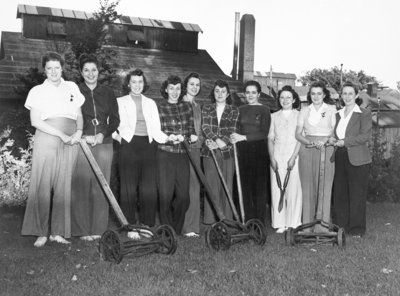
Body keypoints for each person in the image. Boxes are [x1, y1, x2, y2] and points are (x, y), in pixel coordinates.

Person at [21, 52, 85, 247]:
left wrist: (79, 131)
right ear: (45, 70)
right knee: (43, 184)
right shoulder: (37, 91)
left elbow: (79, 114)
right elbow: (35, 121)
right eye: (49, 68)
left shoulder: (72, 87)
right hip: (48, 137)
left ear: (62, 68)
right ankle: (40, 231)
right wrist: (60, 135)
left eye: (57, 67)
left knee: (64, 186)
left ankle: (58, 232)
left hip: (71, 140)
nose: (54, 71)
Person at [113, 69, 168, 239]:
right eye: (134, 82)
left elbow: (156, 129)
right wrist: (118, 138)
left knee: (148, 187)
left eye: (140, 82)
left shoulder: (150, 103)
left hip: (148, 145)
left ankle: (146, 224)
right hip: (128, 145)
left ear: (144, 84)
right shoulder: (119, 101)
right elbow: (111, 124)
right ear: (128, 84)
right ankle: (129, 226)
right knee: (128, 187)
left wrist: (169, 138)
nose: (137, 85)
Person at [71, 54, 120, 241]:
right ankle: (82, 230)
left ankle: (98, 229)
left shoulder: (107, 92)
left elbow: (115, 119)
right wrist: (81, 134)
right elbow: (71, 116)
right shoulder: (75, 91)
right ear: (81, 72)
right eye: (86, 70)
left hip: (104, 143)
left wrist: (102, 134)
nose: (90, 74)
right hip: (83, 143)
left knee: (102, 185)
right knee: (82, 185)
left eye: (93, 70)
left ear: (98, 71)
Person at [157, 75, 197, 235]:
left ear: (181, 90)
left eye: (178, 88)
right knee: (165, 195)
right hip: (165, 155)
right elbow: (156, 131)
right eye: (171, 88)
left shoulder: (186, 107)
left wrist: (190, 136)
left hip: (182, 155)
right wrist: (169, 138)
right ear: (166, 89)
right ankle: (168, 231)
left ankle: (176, 228)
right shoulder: (159, 107)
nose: (175, 92)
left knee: (183, 197)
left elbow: (191, 129)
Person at [331, 81, 372, 237]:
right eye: (344, 93)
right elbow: (336, 134)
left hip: (358, 158)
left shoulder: (364, 113)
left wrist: (344, 142)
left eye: (350, 93)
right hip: (340, 155)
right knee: (340, 193)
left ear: (356, 95)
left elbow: (364, 136)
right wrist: (331, 139)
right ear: (341, 96)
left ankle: (357, 229)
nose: (347, 96)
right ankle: (341, 228)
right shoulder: (338, 114)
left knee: (357, 194)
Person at [295, 81, 336, 232]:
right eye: (313, 93)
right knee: (308, 187)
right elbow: (298, 134)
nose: (316, 96)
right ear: (309, 95)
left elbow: (334, 130)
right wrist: (309, 143)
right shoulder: (304, 110)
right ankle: (307, 226)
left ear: (324, 94)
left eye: (319, 93)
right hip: (307, 148)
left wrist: (324, 141)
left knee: (325, 186)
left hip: (327, 148)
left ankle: (323, 226)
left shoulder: (331, 109)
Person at [230, 80, 270, 224]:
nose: (251, 95)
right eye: (248, 92)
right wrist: (235, 136)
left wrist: (243, 137)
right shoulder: (240, 109)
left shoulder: (265, 110)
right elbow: (236, 129)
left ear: (258, 94)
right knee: (244, 185)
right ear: (244, 94)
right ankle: (247, 219)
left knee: (258, 187)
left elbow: (264, 133)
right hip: (243, 150)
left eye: (254, 92)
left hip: (258, 150)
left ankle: (259, 221)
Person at [202, 79, 239, 224]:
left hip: (227, 151)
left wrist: (221, 142)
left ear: (227, 94)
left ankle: (227, 219)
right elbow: (205, 126)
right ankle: (211, 219)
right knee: (212, 185)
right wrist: (216, 140)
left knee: (227, 185)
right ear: (214, 93)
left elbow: (232, 128)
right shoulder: (207, 108)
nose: (220, 94)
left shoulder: (233, 110)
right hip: (210, 151)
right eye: (217, 91)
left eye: (223, 91)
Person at [268, 86, 302, 233]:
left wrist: (294, 157)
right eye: (282, 97)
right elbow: (270, 138)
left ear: (294, 99)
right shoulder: (273, 116)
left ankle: (293, 222)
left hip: (294, 154)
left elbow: (301, 138)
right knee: (277, 189)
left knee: (293, 189)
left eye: (288, 97)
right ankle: (279, 223)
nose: (285, 100)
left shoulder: (300, 115)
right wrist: (272, 158)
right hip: (277, 155)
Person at [181, 73, 203, 237]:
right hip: (183, 150)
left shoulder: (197, 105)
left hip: (197, 150)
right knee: (186, 188)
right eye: (191, 84)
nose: (194, 87)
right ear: (185, 85)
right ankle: (186, 227)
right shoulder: (181, 104)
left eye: (197, 85)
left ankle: (193, 227)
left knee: (194, 188)